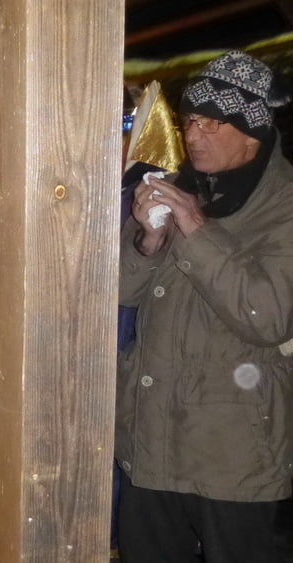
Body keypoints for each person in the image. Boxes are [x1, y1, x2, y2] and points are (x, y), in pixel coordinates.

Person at [117, 50, 293, 563]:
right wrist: (147, 243)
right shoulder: (180, 187)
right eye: (190, 120)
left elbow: (268, 316)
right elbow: (120, 293)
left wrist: (194, 229)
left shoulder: (284, 206)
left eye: (212, 123)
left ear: (252, 130)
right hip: (151, 442)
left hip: (233, 453)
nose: (193, 135)